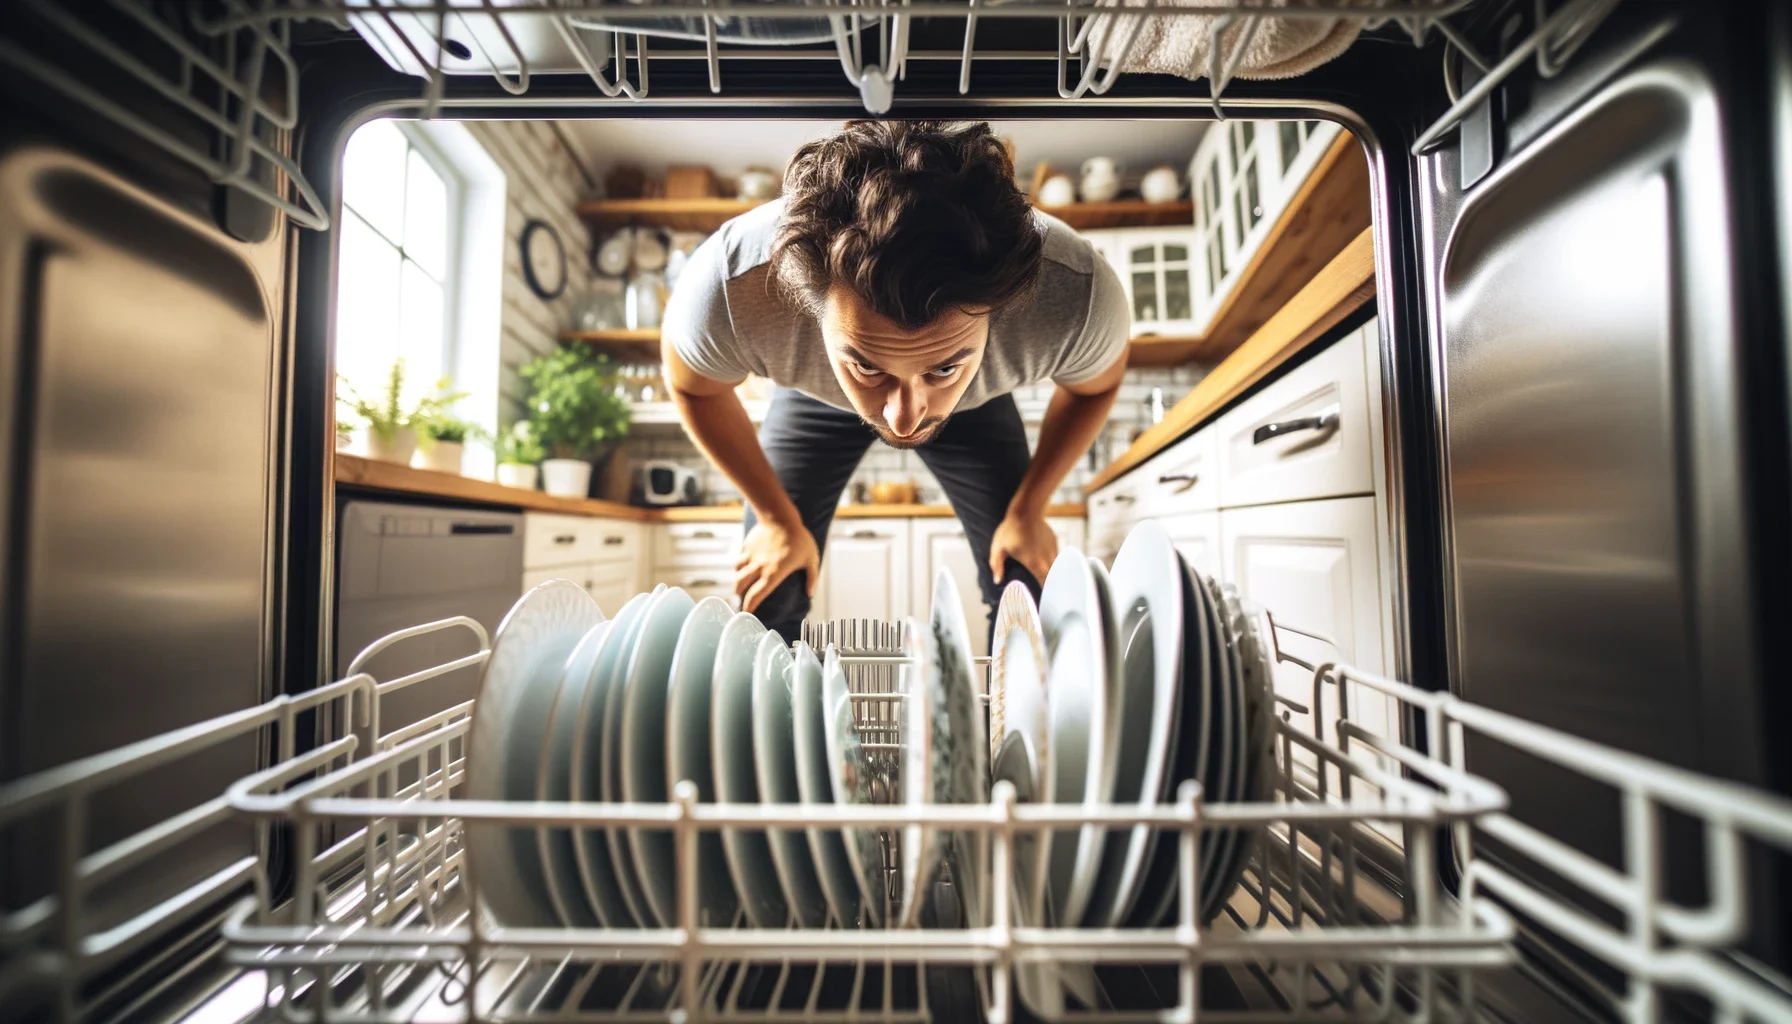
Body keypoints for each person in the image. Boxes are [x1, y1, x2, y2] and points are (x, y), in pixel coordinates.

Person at [662, 120, 1130, 642]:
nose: (903, 418)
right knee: (771, 586)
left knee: (1023, 577)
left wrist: (1029, 510)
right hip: (812, 400)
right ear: (805, 305)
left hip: (974, 407)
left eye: (943, 365)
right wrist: (775, 518)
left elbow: (1097, 386)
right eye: (866, 364)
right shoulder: (730, 288)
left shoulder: (1076, 294)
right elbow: (692, 387)